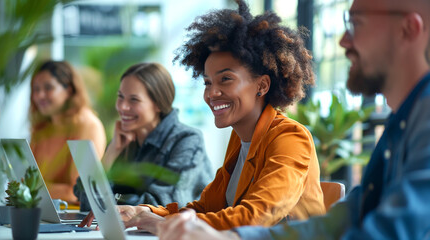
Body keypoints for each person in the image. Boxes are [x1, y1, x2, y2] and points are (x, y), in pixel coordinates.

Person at [156, 0, 430, 239]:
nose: (344, 40)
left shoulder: (289, 136)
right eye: (207, 82)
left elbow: (389, 231)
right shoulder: (402, 122)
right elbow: (339, 222)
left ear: (409, 29)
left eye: (356, 23)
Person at [82, 0, 326, 233]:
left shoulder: (290, 138)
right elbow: (203, 208)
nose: (212, 93)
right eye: (208, 82)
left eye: (225, 79)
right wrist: (141, 212)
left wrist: (161, 224)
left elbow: (253, 218)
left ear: (261, 85)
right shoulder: (239, 139)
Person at [75, 62, 213, 214]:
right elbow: (85, 200)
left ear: (158, 104)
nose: (122, 107)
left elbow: (162, 204)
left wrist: (110, 198)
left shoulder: (187, 140)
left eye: (134, 100)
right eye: (120, 97)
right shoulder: (124, 139)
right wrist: (112, 152)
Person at [30, 60, 107, 204]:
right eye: (36, 89)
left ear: (69, 90)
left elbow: (77, 192)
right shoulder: (42, 128)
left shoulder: (88, 125)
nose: (40, 95)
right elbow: (28, 180)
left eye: (48, 87)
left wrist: (30, 188)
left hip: (72, 218)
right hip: (43, 210)